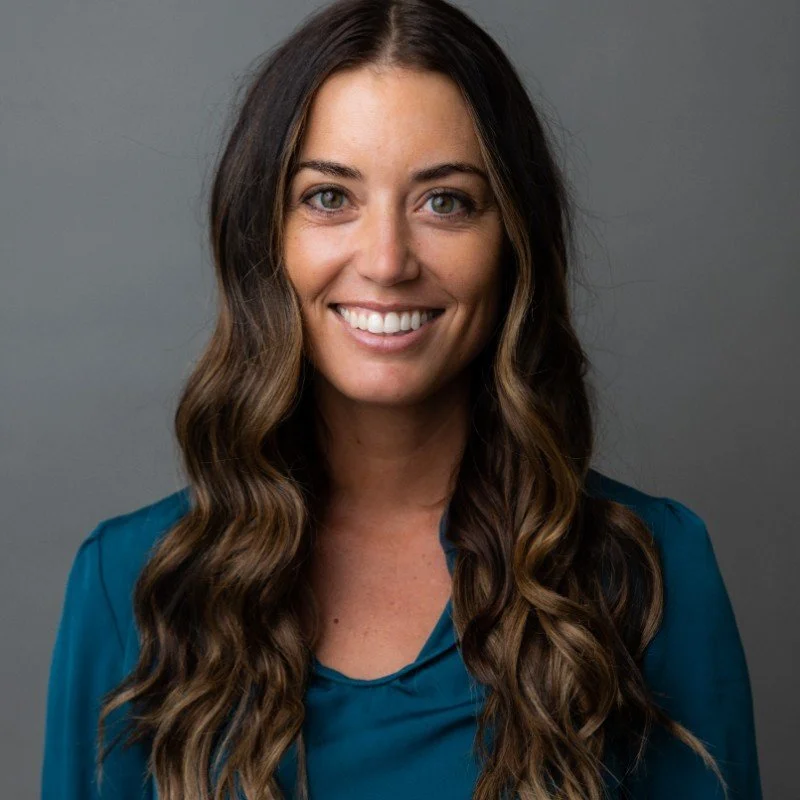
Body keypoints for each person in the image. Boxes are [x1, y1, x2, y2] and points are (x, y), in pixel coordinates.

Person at [40, 0, 762, 798]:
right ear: (263, 235)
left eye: (445, 201)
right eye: (328, 197)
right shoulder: (131, 585)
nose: (386, 261)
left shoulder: (648, 577)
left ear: (513, 242)